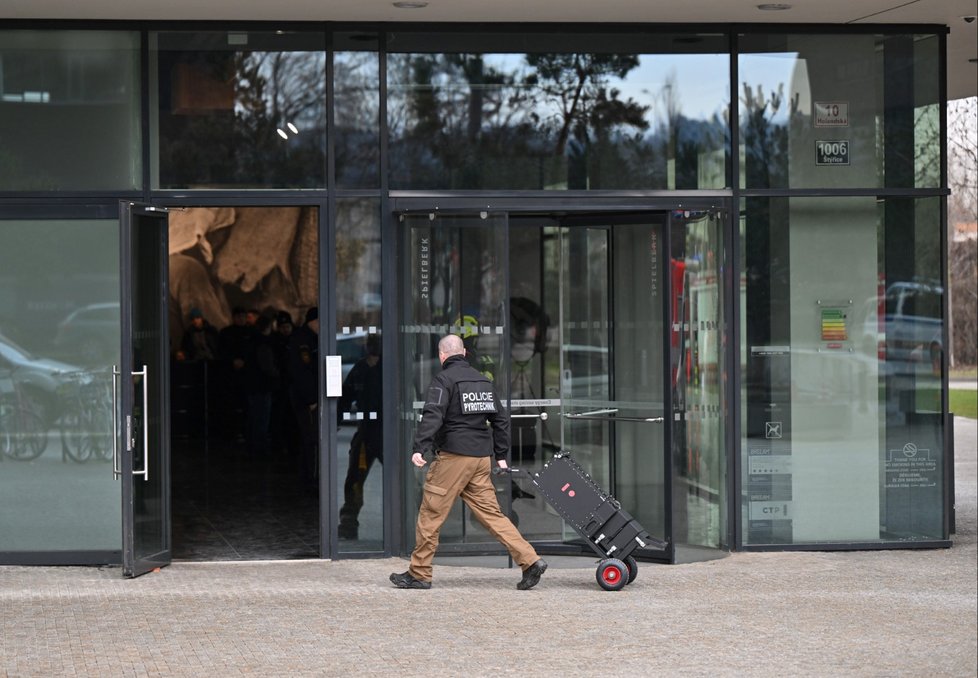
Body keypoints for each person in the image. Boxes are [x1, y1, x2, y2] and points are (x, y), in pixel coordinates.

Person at [390, 333, 547, 591]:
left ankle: (419, 573)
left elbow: (433, 415)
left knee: (430, 513)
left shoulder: (443, 379)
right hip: (480, 460)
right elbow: (501, 420)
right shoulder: (483, 381)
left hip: (454, 459)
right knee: (493, 515)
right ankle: (530, 561)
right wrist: (501, 456)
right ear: (464, 353)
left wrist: (420, 447)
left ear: (442, 355)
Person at [337, 333, 383, 540]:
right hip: (366, 432)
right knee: (355, 478)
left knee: (404, 479)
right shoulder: (360, 368)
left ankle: (416, 520)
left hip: (388, 432)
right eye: (370, 343)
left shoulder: (389, 367)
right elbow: (345, 396)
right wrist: (336, 421)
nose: (372, 347)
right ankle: (348, 523)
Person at [288, 307, 320, 486]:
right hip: (306, 400)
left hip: (307, 397)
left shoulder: (309, 338)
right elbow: (302, 372)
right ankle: (311, 479)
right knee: (311, 439)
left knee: (310, 439)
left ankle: (309, 477)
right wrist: (311, 399)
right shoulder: (303, 340)